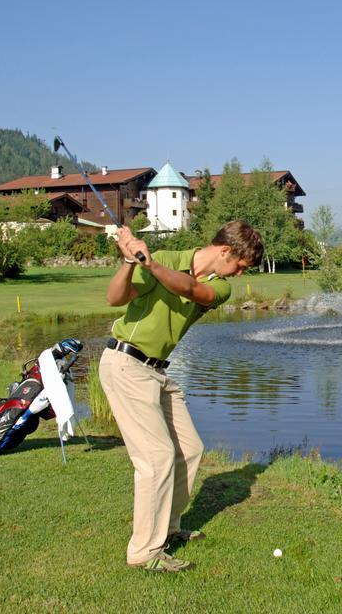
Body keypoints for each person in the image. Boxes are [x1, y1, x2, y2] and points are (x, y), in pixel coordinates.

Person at [99, 220, 263, 572]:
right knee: (157, 457)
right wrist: (129, 261)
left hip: (156, 371)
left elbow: (191, 289)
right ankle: (144, 551)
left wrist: (149, 263)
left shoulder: (219, 288)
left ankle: (168, 529)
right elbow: (115, 298)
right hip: (126, 364)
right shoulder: (167, 256)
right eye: (239, 265)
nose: (237, 273)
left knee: (189, 449)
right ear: (225, 251)